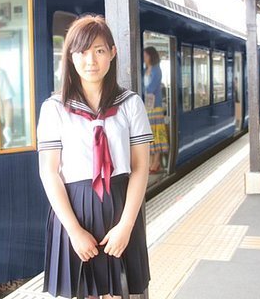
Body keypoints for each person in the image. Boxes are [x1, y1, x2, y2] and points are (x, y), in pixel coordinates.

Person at [36, 15, 153, 298]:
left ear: (112, 53)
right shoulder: (54, 109)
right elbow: (49, 172)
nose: (91, 61)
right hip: (74, 210)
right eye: (82, 52)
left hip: (121, 206)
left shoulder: (130, 104)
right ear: (70, 58)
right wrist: (74, 231)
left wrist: (126, 226)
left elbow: (140, 168)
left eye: (99, 50)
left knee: (121, 292)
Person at [143, 46, 169, 174]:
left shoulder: (157, 70)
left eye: (146, 55)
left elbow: (151, 88)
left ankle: (156, 162)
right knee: (150, 136)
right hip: (147, 107)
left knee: (157, 135)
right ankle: (151, 162)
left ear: (151, 56)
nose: (144, 57)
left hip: (155, 107)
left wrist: (140, 92)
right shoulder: (144, 70)